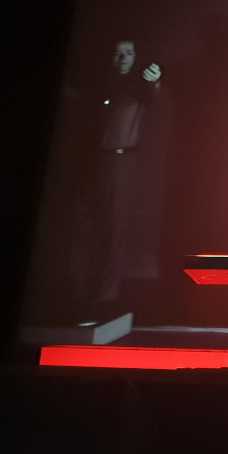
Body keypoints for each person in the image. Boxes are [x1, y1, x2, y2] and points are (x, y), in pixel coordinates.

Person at [72, 40, 161, 317]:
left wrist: (154, 81)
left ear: (136, 57)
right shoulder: (97, 84)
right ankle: (77, 293)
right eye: (118, 53)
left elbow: (151, 94)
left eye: (129, 53)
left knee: (114, 227)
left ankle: (106, 295)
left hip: (119, 159)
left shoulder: (139, 87)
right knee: (83, 227)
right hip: (90, 159)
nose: (123, 58)